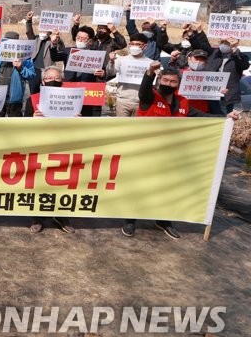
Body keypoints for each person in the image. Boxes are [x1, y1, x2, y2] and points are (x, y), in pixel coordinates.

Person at [122, 62, 232, 239]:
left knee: (167, 187)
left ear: (178, 84)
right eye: (165, 80)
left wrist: (225, 117)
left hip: (171, 154)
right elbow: (143, 90)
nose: (168, 84)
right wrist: (149, 72)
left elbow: (203, 117)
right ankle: (130, 220)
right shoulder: (150, 97)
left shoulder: (183, 102)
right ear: (159, 80)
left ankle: (164, 220)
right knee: (141, 187)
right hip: (145, 152)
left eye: (173, 81)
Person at [27, 67, 76, 233]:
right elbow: (21, 125)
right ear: (43, 81)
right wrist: (32, 120)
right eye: (49, 78)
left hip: (63, 148)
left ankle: (61, 216)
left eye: (56, 77)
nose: (53, 80)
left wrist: (79, 121)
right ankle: (37, 217)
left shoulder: (73, 98)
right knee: (40, 183)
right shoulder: (33, 99)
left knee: (62, 184)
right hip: (40, 148)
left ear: (62, 81)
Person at [0, 17, 35, 117]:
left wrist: (21, 68)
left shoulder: (24, 55)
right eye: (7, 43)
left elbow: (31, 74)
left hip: (14, 98)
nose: (10, 46)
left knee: (15, 127)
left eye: (13, 44)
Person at [106, 33, 150, 117]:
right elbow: (110, 72)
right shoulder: (121, 60)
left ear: (144, 46)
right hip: (123, 101)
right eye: (132, 44)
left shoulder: (150, 63)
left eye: (138, 44)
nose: (134, 46)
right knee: (122, 128)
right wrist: (111, 61)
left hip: (140, 102)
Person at [206, 36, 248, 115]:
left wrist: (235, 51)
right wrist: (195, 33)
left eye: (227, 42)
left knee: (230, 121)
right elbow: (201, 45)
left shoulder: (240, 56)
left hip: (230, 98)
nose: (224, 44)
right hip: (213, 95)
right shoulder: (214, 54)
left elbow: (244, 65)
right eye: (222, 42)